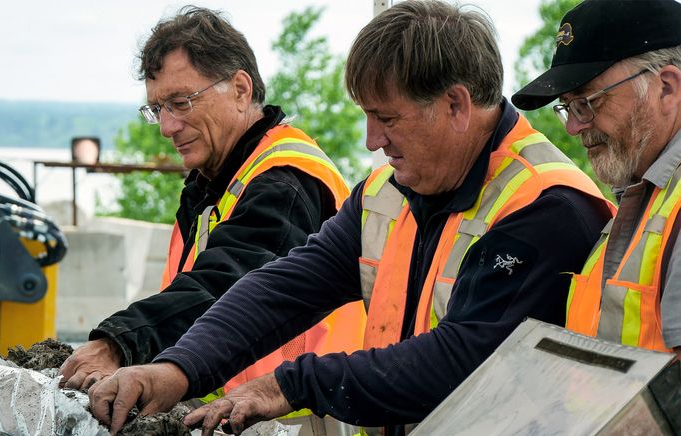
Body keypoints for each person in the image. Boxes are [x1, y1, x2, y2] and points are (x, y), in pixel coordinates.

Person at [88, 1, 614, 435]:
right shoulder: (388, 190)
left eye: (386, 118)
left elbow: (463, 359)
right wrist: (176, 367)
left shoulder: (547, 207)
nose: (371, 141)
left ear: (455, 105)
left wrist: (289, 385)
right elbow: (286, 286)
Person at [58, 5, 367, 427]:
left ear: (240, 88)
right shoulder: (215, 182)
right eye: (156, 109)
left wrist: (120, 343)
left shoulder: (287, 182)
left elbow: (224, 285)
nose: (167, 126)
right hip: (231, 415)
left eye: (181, 102)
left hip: (296, 420)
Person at [512, 0, 681, 356]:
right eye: (567, 108)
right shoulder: (646, 196)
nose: (574, 127)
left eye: (588, 102)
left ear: (667, 87)